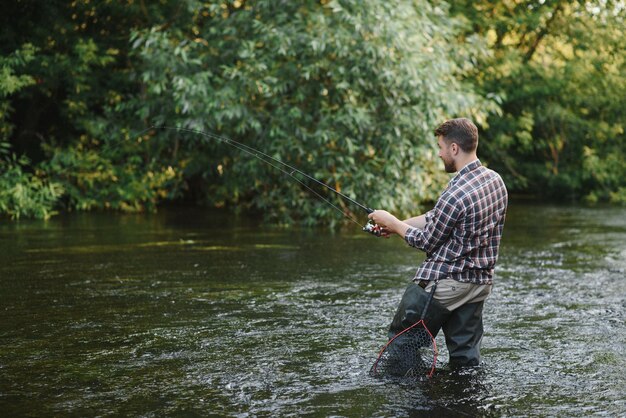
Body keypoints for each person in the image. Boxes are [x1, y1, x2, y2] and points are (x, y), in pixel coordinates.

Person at [369, 117, 508, 367]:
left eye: (441, 147)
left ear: (454, 148)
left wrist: (393, 222)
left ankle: (409, 401)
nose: (439, 153)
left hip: (445, 285)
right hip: (479, 285)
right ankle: (467, 402)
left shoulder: (455, 193)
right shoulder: (495, 181)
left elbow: (426, 241)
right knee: (466, 359)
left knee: (402, 347)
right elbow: (435, 218)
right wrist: (397, 223)